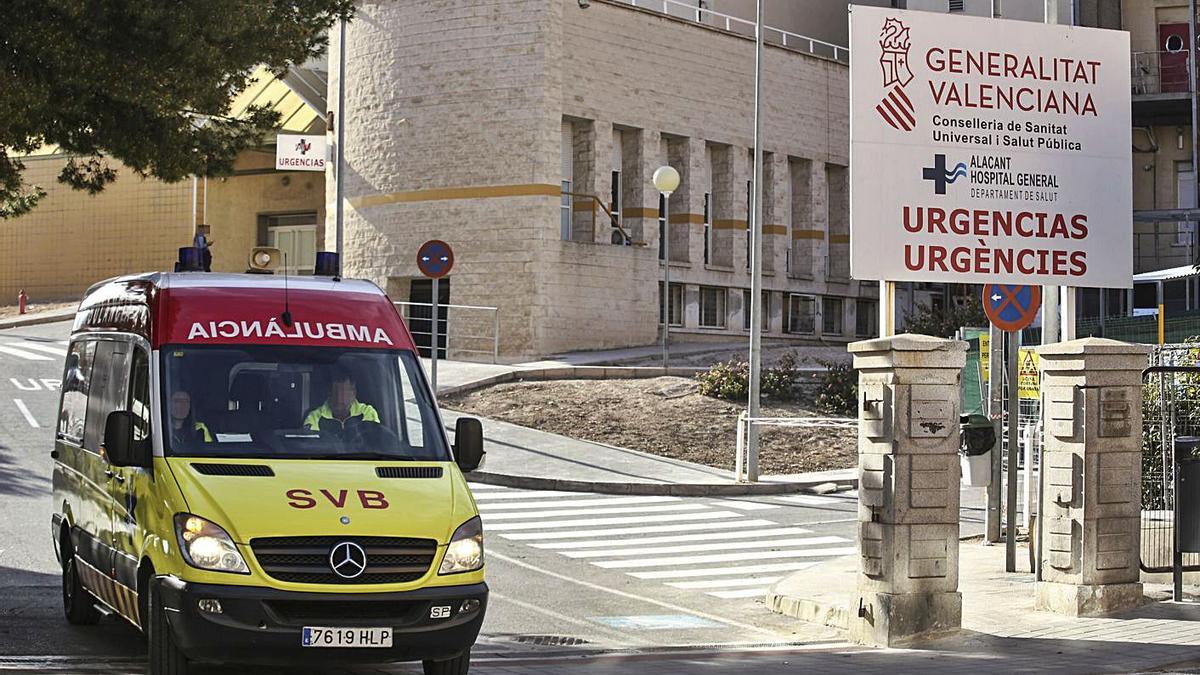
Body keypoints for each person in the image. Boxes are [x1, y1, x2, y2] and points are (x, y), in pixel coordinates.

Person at [303, 369, 380, 434]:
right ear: (329, 394)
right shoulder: (314, 417)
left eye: (345, 392)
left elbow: (374, 442)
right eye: (336, 392)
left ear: (353, 393)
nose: (340, 399)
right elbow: (311, 445)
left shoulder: (368, 413)